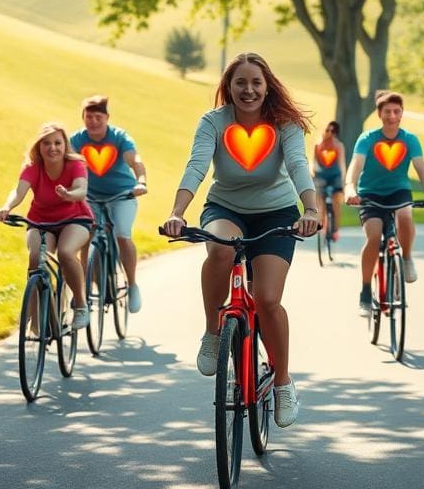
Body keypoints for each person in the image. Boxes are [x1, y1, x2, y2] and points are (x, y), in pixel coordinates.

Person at [161, 52, 319, 428]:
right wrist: (177, 212)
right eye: (240, 83)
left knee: (267, 299)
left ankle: (282, 383)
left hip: (277, 213)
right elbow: (197, 165)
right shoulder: (213, 122)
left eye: (256, 83)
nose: (248, 90)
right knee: (220, 249)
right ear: (228, 88)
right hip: (225, 208)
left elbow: (297, 165)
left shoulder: (284, 124)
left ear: (267, 87)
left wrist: (310, 209)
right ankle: (214, 332)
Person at [0, 122, 94, 331]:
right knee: (35, 258)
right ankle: (37, 316)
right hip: (40, 221)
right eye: (46, 143)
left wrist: (69, 194)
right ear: (39, 146)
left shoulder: (75, 164)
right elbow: (18, 191)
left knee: (66, 253)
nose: (52, 148)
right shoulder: (32, 167)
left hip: (75, 219)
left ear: (65, 145)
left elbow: (81, 191)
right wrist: (7, 206)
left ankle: (81, 305)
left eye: (58, 143)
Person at [345, 91, 424, 315]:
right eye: (387, 111)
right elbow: (356, 165)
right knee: (374, 236)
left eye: (396, 111)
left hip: (399, 191)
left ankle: (407, 258)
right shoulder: (368, 138)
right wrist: (350, 188)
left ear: (401, 113)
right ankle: (365, 290)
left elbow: (422, 169)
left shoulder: (410, 139)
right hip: (370, 193)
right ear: (379, 114)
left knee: (405, 215)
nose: (392, 115)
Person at [70, 95, 147, 313]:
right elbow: (67, 165)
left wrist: (141, 181)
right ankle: (84, 286)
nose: (93, 121)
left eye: (98, 117)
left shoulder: (119, 137)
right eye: (89, 117)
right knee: (85, 235)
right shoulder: (76, 140)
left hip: (122, 194)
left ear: (107, 118)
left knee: (122, 234)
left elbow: (135, 160)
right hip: (91, 196)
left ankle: (132, 285)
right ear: (83, 118)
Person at [311, 121, 346, 241]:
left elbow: (342, 164)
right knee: (320, 204)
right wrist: (312, 172)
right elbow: (313, 162)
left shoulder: (338, 145)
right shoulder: (317, 145)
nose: (329, 133)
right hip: (321, 176)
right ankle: (322, 224)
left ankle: (335, 229)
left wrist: (343, 180)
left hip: (335, 176)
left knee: (336, 203)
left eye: (333, 131)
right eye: (327, 130)